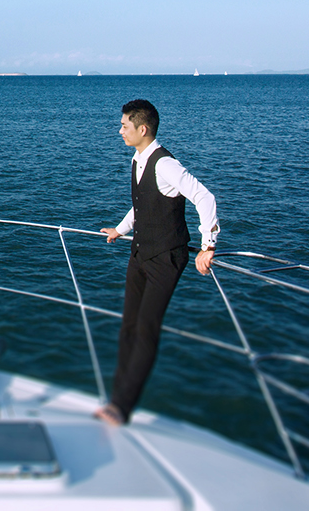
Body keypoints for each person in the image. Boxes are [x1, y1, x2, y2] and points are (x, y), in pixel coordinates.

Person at [94, 99, 220, 426]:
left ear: (142, 129)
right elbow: (143, 204)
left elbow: (204, 198)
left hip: (166, 257)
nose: (120, 131)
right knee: (128, 327)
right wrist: (120, 230)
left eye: (124, 126)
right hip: (139, 251)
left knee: (146, 330)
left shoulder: (165, 164)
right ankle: (115, 397)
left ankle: (121, 407)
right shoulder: (138, 159)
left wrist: (208, 245)